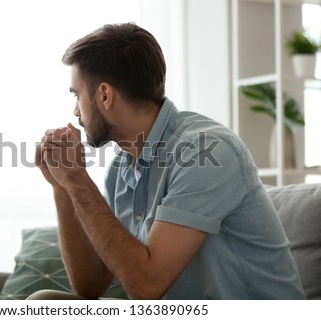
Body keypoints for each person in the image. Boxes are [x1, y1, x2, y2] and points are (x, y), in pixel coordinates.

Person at [33, 23, 305, 299]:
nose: (75, 110)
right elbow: (89, 286)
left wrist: (78, 180)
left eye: (77, 95)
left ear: (105, 95)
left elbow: (146, 286)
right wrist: (63, 187)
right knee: (44, 303)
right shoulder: (120, 169)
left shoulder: (206, 151)